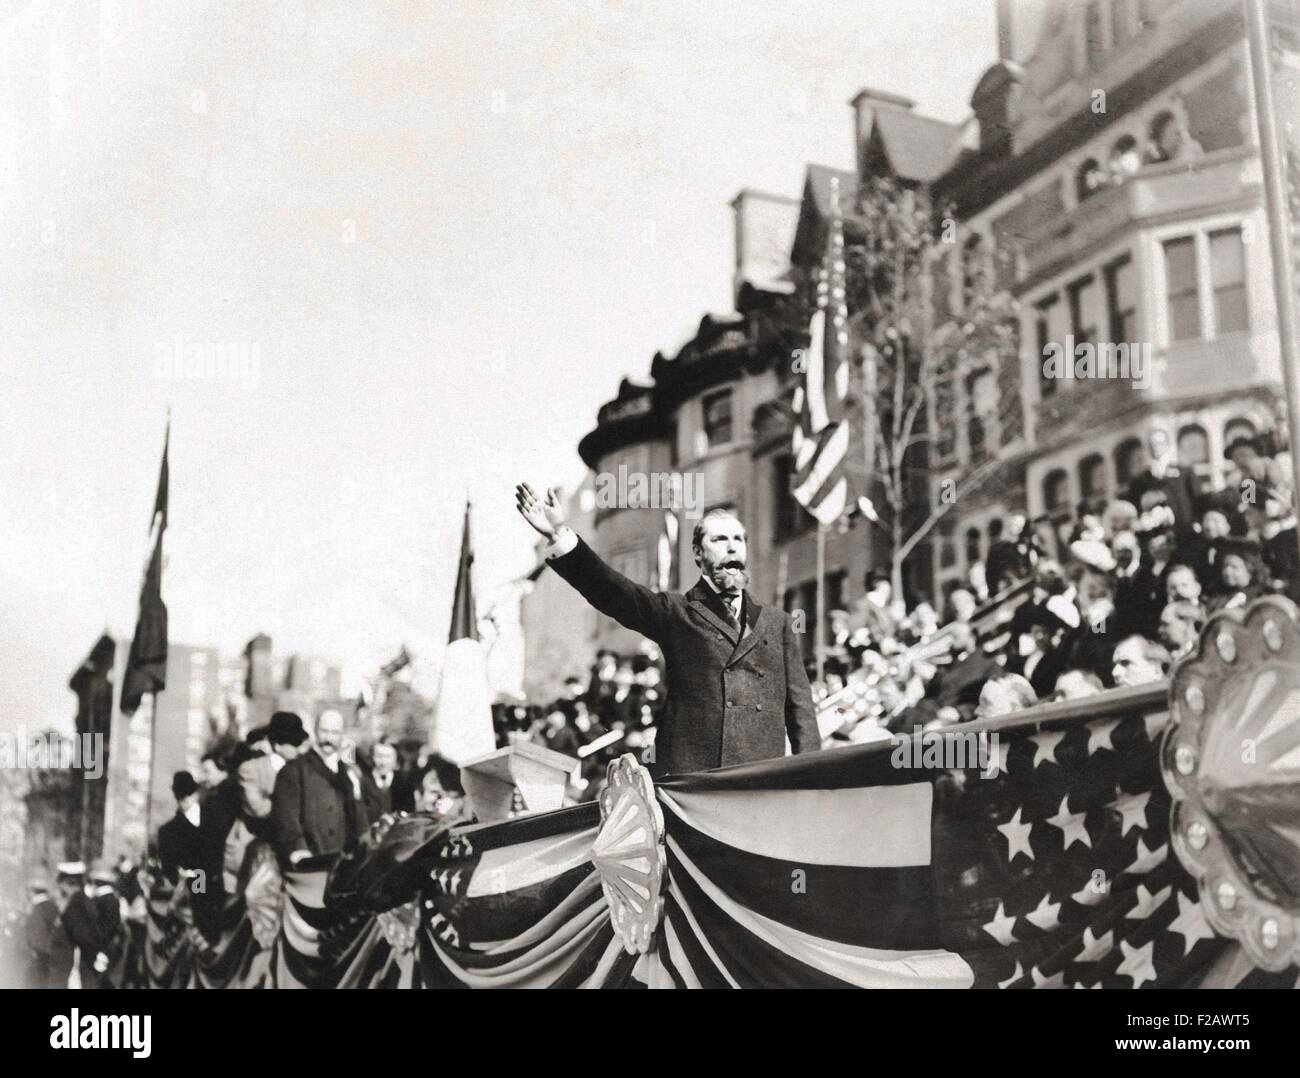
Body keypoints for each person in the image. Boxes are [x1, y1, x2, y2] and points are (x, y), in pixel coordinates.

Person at [517, 483, 820, 775]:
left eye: (738, 540)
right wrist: (560, 534)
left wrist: (811, 780)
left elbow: (801, 711)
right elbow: (612, 590)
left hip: (759, 780)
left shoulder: (777, 623)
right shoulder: (676, 612)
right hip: (692, 783)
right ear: (698, 554)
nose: (731, 549)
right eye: (719, 540)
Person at [271, 710, 370, 863]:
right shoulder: (294, 769)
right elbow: (286, 817)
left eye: (335, 732)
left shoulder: (348, 773)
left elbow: (359, 824)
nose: (328, 738)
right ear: (315, 731)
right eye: (324, 731)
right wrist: (299, 850)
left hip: (341, 864)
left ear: (342, 735)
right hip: (310, 864)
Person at [24, 875, 73, 989]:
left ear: (31, 891)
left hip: (40, 963)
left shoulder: (38, 909)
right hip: (51, 962)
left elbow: (37, 940)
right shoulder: (52, 907)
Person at [360, 739, 399, 822]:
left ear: (395, 758)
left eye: (388, 756)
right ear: (372, 757)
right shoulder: (363, 781)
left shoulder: (404, 782)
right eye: (379, 756)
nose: (383, 762)